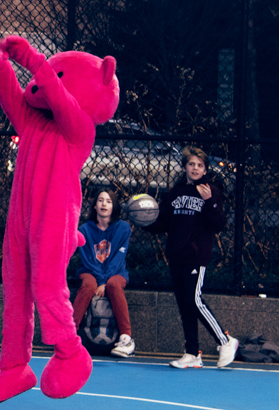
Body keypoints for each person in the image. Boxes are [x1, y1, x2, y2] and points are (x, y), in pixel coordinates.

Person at [148, 146, 235, 368]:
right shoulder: (173, 193)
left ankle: (225, 341)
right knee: (184, 305)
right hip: (176, 255)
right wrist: (145, 221)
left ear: (205, 169)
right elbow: (164, 223)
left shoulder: (211, 191)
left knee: (194, 300)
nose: (195, 168)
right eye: (191, 164)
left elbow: (219, 225)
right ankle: (192, 353)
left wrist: (209, 202)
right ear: (185, 166)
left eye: (200, 165)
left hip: (196, 256)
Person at [72, 186, 135, 358]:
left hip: (115, 273)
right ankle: (69, 334)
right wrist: (100, 281)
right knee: (88, 284)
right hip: (91, 271)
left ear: (113, 206)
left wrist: (106, 282)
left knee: (115, 284)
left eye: (108, 201)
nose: (104, 204)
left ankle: (126, 338)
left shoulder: (123, 228)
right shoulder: (84, 230)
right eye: (100, 200)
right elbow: (88, 259)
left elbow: (117, 260)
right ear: (94, 206)